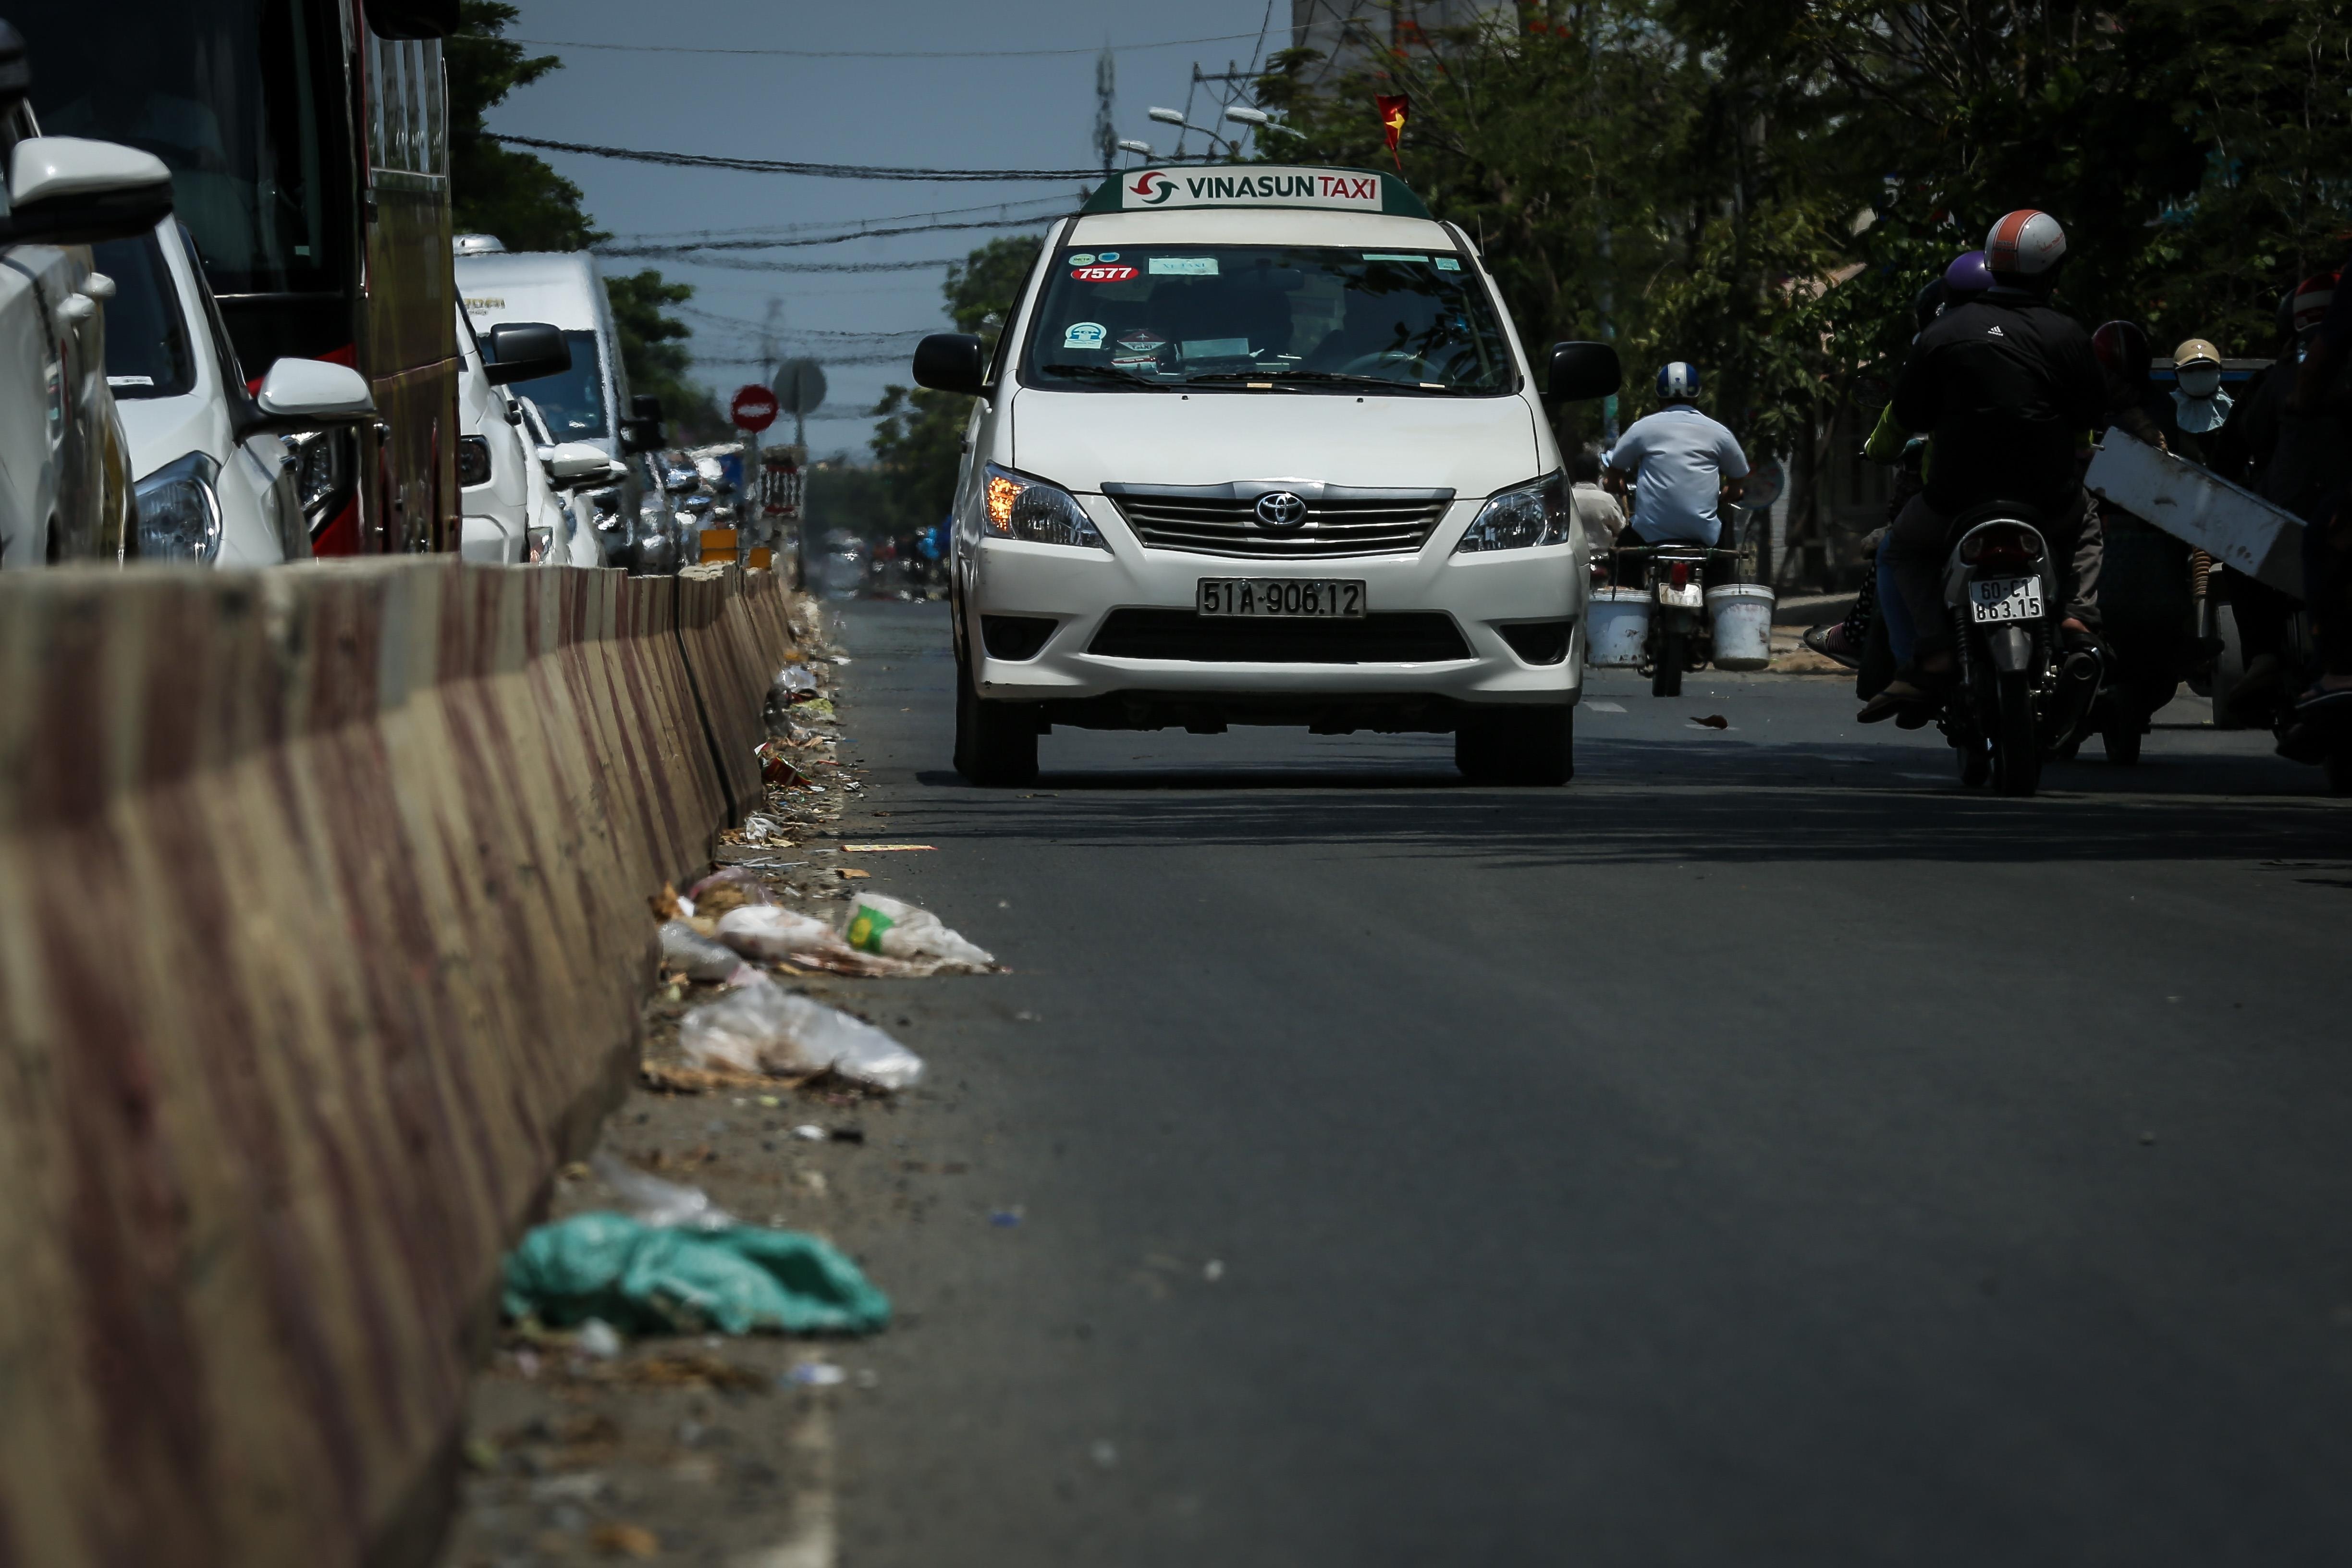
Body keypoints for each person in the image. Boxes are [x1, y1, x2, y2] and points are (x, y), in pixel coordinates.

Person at [1866, 208, 2109, 722]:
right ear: (2054, 271)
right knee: (2087, 523)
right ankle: (2077, 618)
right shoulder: (2068, 334)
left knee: (1901, 550)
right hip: (2048, 499)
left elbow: (1906, 416)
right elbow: (2088, 421)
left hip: (1955, 500)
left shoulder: (1943, 332)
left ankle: (1933, 652)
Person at [1602, 362, 1750, 588]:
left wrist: (1615, 484)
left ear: (1659, 396)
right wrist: (1732, 492)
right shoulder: (1719, 432)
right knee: (1721, 561)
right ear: (1697, 396)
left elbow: (1613, 474)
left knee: (1623, 555)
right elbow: (1738, 479)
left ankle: (1631, 605)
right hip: (1704, 534)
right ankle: (1714, 602)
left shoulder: (1643, 428)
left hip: (1649, 532)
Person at [1569, 451, 1623, 561]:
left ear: (1574, 475)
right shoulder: (1607, 499)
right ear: (1597, 476)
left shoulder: (1567, 499)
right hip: (1603, 559)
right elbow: (1621, 528)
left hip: (1575, 561)